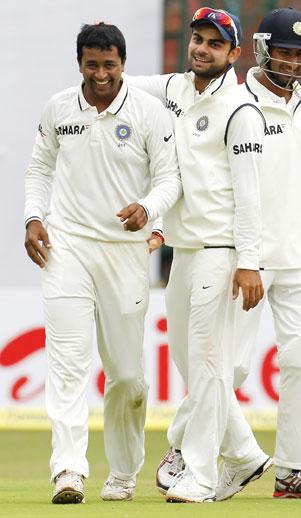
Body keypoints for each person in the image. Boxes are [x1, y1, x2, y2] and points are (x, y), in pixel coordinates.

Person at [24, 22, 181, 504]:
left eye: (109, 64)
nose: (100, 73)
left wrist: (149, 209)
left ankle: (123, 472)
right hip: (67, 247)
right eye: (91, 64)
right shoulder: (59, 107)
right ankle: (68, 471)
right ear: (79, 64)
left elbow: (170, 178)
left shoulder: (149, 112)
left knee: (127, 376)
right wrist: (34, 217)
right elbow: (40, 167)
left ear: (123, 63)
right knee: (68, 366)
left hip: (124, 253)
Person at [127, 7, 272, 503]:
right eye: (197, 39)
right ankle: (248, 455)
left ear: (234, 54)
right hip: (183, 253)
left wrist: (249, 261)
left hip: (223, 252)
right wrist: (99, 68)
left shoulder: (241, 110)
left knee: (210, 366)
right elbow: (124, 84)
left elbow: (251, 195)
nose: (201, 49)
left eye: (214, 43)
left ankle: (202, 474)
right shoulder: (175, 90)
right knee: (197, 370)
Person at [215, 7, 301, 500]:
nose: (291, 63)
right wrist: (243, 256)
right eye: (284, 53)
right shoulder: (236, 102)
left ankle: (293, 472)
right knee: (230, 368)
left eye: (300, 55)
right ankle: (190, 450)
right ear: (264, 50)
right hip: (248, 257)